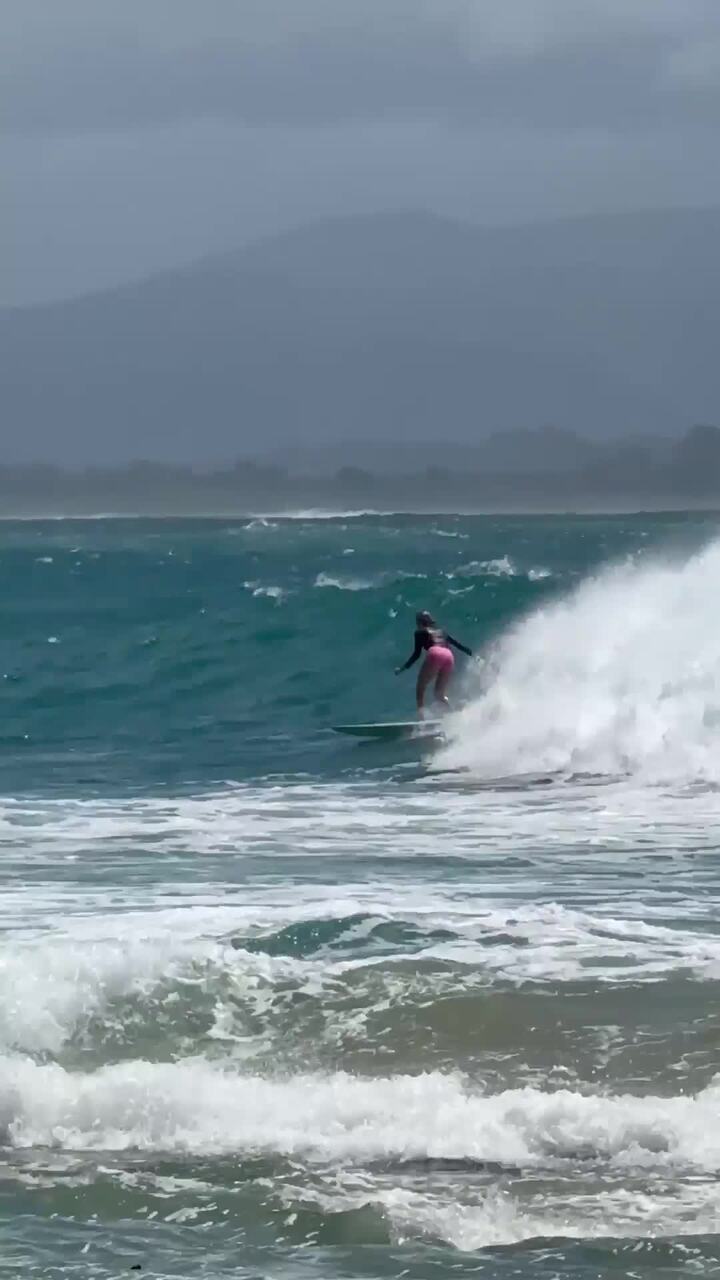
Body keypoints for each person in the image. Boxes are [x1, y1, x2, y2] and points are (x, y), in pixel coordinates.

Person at [395, 611, 472, 717]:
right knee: (439, 694)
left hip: (435, 653)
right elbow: (457, 644)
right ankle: (454, 715)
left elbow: (416, 654)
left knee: (420, 689)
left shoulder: (419, 632)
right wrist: (469, 652)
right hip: (449, 656)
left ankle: (422, 721)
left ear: (420, 622)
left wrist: (402, 668)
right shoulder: (442, 632)